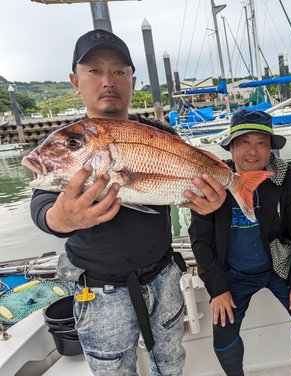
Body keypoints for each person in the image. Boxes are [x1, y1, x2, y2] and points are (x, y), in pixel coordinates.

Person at [29, 29, 227, 376]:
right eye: (95, 70)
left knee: (171, 362)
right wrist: (64, 217)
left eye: (119, 71)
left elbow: (188, 190)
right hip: (99, 290)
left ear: (132, 81)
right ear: (76, 81)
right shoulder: (69, 140)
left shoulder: (161, 135)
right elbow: (43, 208)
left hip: (164, 277)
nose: (108, 81)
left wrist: (209, 203)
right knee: (112, 371)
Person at [188, 110, 291, 376]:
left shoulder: (285, 177)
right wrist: (218, 288)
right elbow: (200, 240)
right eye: (244, 142)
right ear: (231, 146)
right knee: (223, 331)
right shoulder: (212, 181)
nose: (253, 150)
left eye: (261, 142)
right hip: (232, 273)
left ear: (270, 148)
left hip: (276, 266)